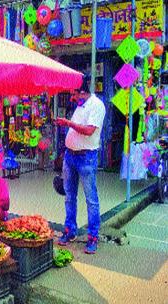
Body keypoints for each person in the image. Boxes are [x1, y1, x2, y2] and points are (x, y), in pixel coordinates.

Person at [54, 75, 106, 254]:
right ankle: (70, 230)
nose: (71, 97)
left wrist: (68, 123)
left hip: (86, 158)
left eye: (74, 94)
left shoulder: (96, 106)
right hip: (70, 156)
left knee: (91, 199)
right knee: (69, 196)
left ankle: (92, 237)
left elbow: (89, 131)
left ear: (82, 93)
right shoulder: (80, 106)